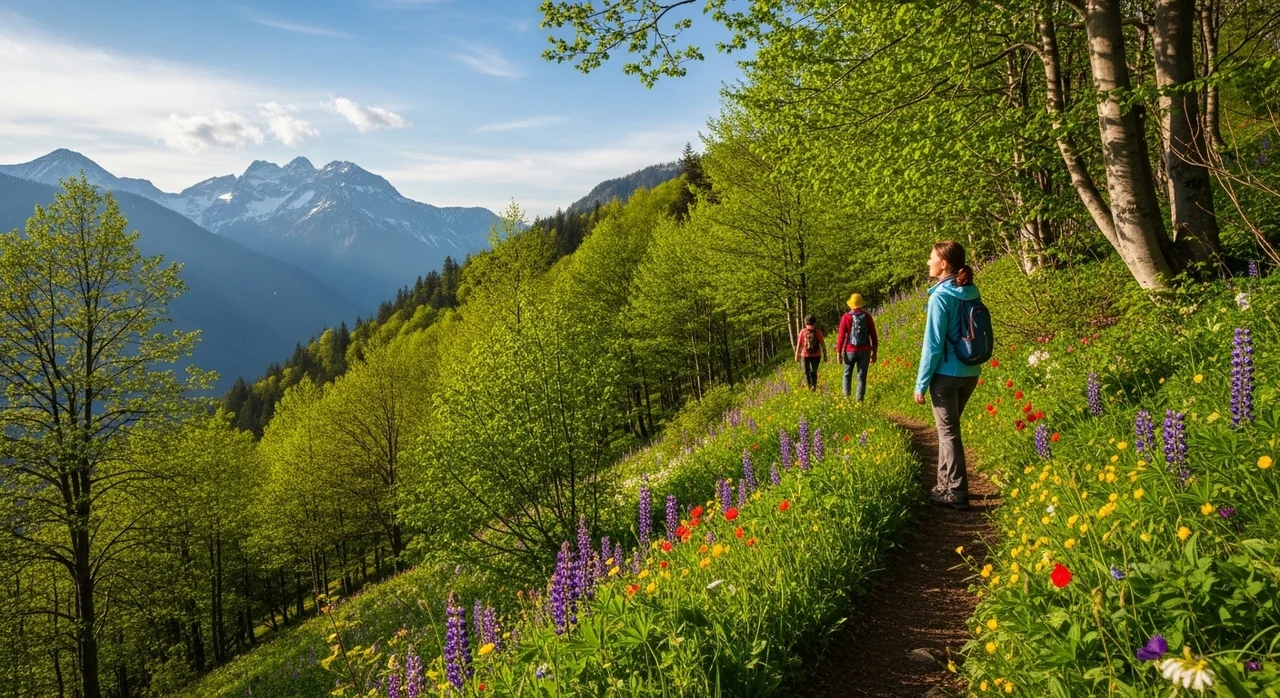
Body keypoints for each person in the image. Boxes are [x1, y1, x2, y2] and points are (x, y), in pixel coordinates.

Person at [914, 241, 983, 510]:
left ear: (944, 264)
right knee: (948, 431)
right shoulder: (970, 291)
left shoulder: (939, 297)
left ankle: (955, 491)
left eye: (931, 258)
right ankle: (944, 485)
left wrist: (921, 383)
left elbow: (932, 345)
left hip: (946, 375)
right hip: (970, 372)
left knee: (949, 432)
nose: (928, 262)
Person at [834, 293, 878, 402]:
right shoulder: (867, 317)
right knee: (861, 378)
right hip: (865, 351)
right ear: (861, 304)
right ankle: (859, 402)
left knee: (847, 374)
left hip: (850, 351)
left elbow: (841, 337)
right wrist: (874, 354)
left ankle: (847, 399)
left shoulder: (846, 317)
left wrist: (838, 353)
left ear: (851, 304)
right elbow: (874, 336)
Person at [794, 315, 827, 390]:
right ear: (815, 323)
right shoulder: (818, 332)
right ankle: (813, 388)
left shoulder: (803, 331)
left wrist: (797, 355)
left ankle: (810, 387)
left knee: (806, 372)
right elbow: (823, 345)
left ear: (805, 323)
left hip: (805, 355)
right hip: (816, 355)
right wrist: (825, 356)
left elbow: (799, 344)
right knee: (813, 372)